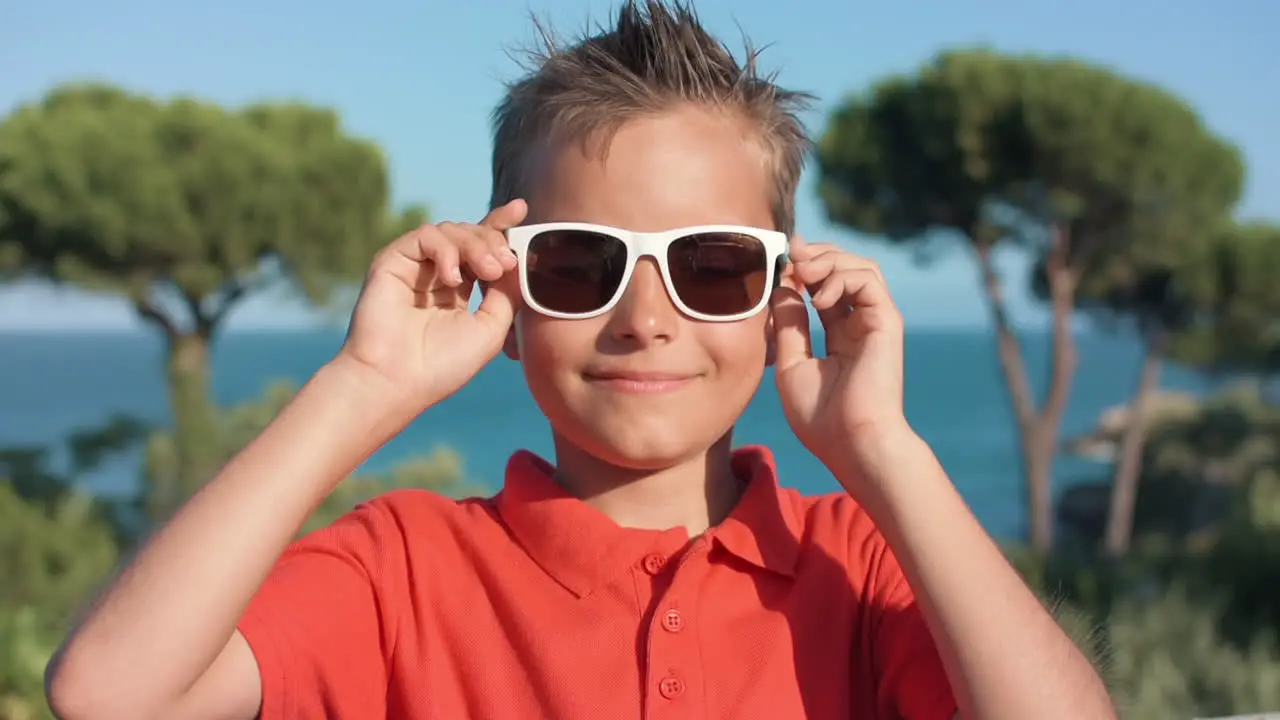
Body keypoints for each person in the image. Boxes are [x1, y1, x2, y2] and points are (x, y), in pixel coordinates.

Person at [45, 2, 1116, 718]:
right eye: (575, 263)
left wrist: (880, 449)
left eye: (709, 265)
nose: (643, 319)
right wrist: (359, 390)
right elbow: (107, 696)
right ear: (504, 296)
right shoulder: (398, 570)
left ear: (782, 294)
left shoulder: (861, 562)